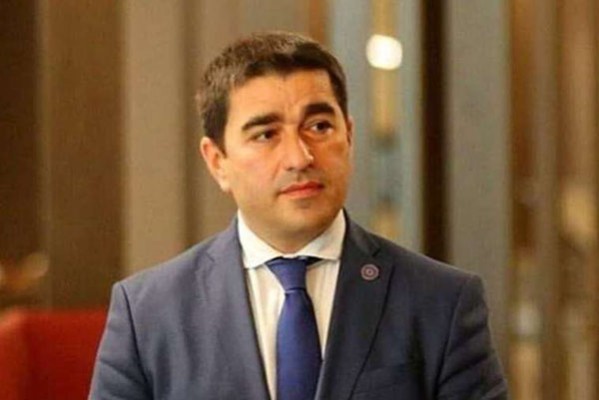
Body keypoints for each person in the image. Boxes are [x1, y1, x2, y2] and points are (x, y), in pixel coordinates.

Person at [90, 31, 507, 400]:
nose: (299, 156)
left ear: (349, 135)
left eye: (320, 126)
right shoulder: (148, 312)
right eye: (266, 134)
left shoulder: (442, 302)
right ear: (217, 161)